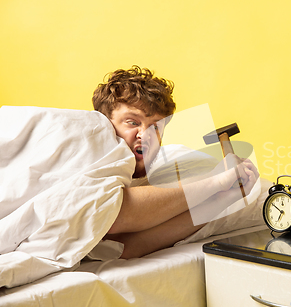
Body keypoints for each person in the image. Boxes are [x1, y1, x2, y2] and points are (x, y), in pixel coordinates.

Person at [91, 66, 259, 259]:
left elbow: (120, 248)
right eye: (132, 122)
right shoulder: (86, 159)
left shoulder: (130, 177)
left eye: (155, 127)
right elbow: (115, 212)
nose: (145, 135)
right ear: (104, 123)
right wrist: (215, 179)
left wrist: (223, 198)